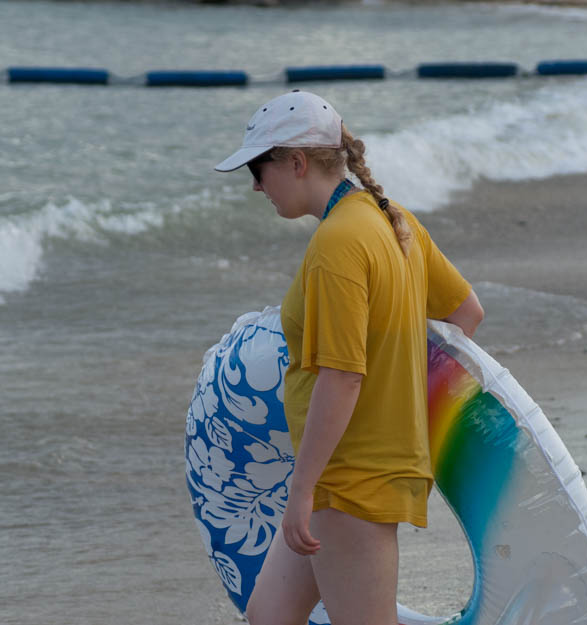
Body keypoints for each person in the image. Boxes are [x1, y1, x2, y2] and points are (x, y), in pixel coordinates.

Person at [214, 90, 484, 625]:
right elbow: (466, 312)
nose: (254, 185)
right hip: (359, 471)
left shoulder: (338, 243)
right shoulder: (391, 220)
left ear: (295, 162)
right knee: (268, 615)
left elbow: (342, 377)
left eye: (258, 169)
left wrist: (301, 491)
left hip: (349, 481)